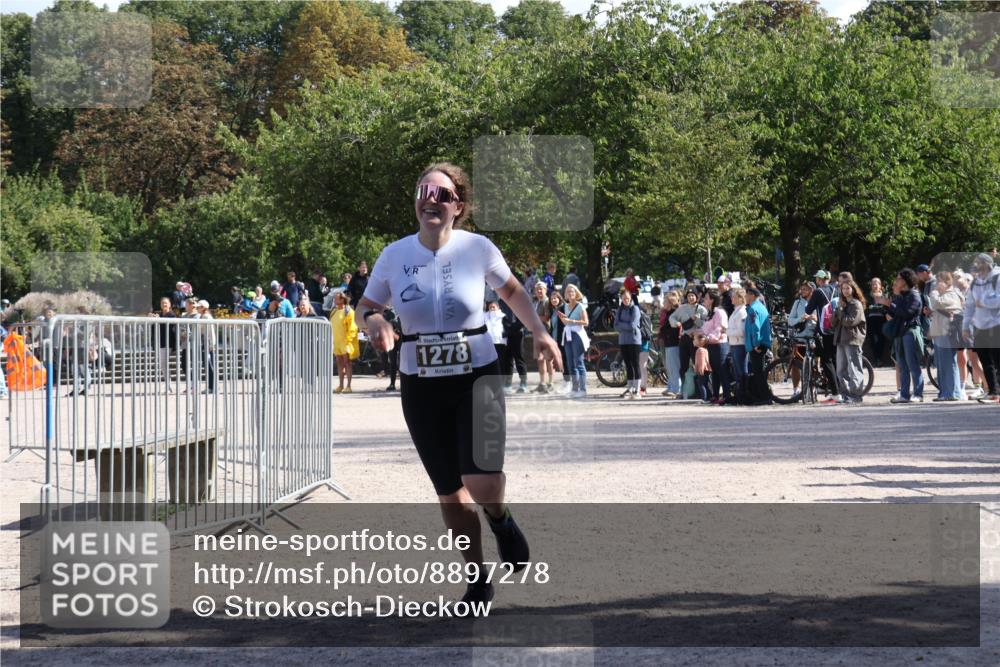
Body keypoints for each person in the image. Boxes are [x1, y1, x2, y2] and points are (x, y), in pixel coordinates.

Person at [356, 162, 562, 604]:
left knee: (481, 482)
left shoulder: (477, 248)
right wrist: (373, 320)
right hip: (421, 384)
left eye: (442, 195)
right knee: (451, 495)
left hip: (476, 376)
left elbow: (512, 292)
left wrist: (539, 331)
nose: (431, 200)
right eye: (424, 192)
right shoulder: (394, 255)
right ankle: (477, 579)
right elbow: (366, 306)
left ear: (459, 206)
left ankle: (500, 517)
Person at [880, 269, 925, 404]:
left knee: (912, 364)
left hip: (910, 331)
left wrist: (890, 304)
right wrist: (889, 308)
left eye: (899, 278)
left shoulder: (914, 295)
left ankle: (918, 394)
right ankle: (904, 394)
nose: (896, 281)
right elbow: (894, 313)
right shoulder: (900, 296)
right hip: (900, 333)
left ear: (905, 281)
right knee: (902, 365)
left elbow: (907, 313)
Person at [962, 253, 1000, 402]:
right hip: (979, 326)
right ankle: (993, 392)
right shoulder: (975, 282)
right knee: (985, 360)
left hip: (996, 324)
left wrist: (984, 302)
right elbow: (970, 306)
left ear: (987, 263)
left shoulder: (997, 277)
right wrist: (965, 326)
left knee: (998, 359)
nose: (976, 266)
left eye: (979, 263)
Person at [928, 271, 965, 401]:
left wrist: (933, 293)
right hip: (940, 333)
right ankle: (945, 392)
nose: (936, 284)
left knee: (948, 363)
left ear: (947, 282)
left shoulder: (952, 294)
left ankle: (952, 393)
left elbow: (935, 303)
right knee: (941, 364)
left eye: (939, 281)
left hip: (947, 333)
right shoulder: (943, 295)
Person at [831, 279, 867, 404]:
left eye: (848, 288)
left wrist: (840, 311)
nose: (845, 291)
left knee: (854, 368)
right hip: (840, 339)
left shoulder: (856, 304)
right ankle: (846, 395)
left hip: (852, 340)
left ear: (853, 289)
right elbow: (833, 322)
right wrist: (837, 310)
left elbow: (849, 321)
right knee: (841, 369)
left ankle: (856, 395)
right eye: (843, 288)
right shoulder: (841, 304)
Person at [669, 289, 707, 395]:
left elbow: (705, 324)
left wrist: (696, 320)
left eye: (693, 295)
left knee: (698, 364)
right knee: (683, 365)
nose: (691, 298)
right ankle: (684, 390)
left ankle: (700, 390)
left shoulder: (702, 309)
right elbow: (671, 317)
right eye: (689, 296)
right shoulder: (682, 308)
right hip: (684, 338)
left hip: (696, 339)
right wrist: (676, 323)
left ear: (696, 297)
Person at [557, 283, 590, 398]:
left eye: (572, 291)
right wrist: (564, 320)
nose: (570, 293)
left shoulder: (580, 306)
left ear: (576, 293)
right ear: (565, 294)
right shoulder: (565, 307)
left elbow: (586, 322)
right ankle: (575, 389)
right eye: (568, 292)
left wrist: (572, 321)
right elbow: (566, 322)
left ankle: (583, 389)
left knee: (579, 362)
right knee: (570, 364)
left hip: (577, 335)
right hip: (568, 334)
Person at [700, 291, 730, 404]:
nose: (704, 300)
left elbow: (719, 329)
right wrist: (698, 334)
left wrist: (708, 338)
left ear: (712, 300)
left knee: (722, 371)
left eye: (706, 298)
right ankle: (715, 395)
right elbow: (705, 328)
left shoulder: (719, 312)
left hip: (720, 345)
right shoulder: (710, 313)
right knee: (714, 372)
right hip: (711, 345)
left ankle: (727, 396)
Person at [744, 288, 772, 405]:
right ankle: (763, 397)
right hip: (763, 342)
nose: (745, 297)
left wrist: (755, 344)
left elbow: (755, 327)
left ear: (751, 295)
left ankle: (765, 398)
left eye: (746, 295)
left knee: (758, 373)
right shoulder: (762, 307)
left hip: (758, 345)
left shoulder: (753, 309)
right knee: (759, 372)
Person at [613, 288, 643, 399]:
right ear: (621, 298)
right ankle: (630, 387)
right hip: (623, 341)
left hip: (634, 341)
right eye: (624, 298)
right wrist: (624, 325)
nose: (626, 300)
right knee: (627, 365)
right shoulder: (620, 310)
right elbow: (615, 325)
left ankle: (637, 389)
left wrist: (621, 324)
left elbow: (633, 325)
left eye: (627, 298)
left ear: (630, 298)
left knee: (635, 364)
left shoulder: (635, 309)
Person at [330, 291, 358, 393]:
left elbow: (353, 328)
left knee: (347, 363)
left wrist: (348, 341)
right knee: (339, 363)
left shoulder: (349, 311)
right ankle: (341, 385)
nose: (335, 300)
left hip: (345, 342)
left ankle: (348, 386)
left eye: (337, 298)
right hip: (336, 342)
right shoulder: (333, 311)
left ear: (342, 299)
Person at [499, 298, 528, 394]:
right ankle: (508, 384)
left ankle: (523, 383)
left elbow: (523, 319)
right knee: (507, 359)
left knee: (519, 358)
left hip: (517, 333)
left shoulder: (518, 300)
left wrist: (511, 329)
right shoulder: (500, 302)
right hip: (504, 334)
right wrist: (506, 330)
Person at [150, 296, 179, 393]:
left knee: (163, 363)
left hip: (168, 342)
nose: (164, 304)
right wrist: (152, 320)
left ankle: (168, 386)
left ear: (170, 304)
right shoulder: (160, 314)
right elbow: (154, 328)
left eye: (166, 303)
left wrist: (159, 320)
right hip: (160, 342)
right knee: (163, 364)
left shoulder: (172, 315)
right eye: (162, 303)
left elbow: (169, 328)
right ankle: (168, 385)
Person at [531, 282, 554, 393]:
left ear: (545, 290)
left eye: (541, 289)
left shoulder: (546, 302)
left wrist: (533, 317)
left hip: (546, 334)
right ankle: (542, 384)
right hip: (537, 334)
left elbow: (547, 317)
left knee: (548, 359)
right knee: (540, 360)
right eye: (537, 289)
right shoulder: (536, 302)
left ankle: (551, 383)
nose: (539, 291)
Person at [658, 291, 682, 397]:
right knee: (669, 367)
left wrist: (664, 331)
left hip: (674, 342)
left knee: (674, 367)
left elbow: (674, 328)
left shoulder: (675, 312)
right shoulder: (668, 313)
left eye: (665, 301)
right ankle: (671, 386)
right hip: (668, 342)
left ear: (670, 303)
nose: (663, 303)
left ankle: (676, 388)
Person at [547, 289, 571, 394]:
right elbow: (553, 327)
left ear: (559, 298)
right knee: (561, 361)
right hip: (556, 339)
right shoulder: (554, 310)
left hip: (563, 339)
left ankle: (568, 383)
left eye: (555, 298)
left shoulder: (563, 308)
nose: (553, 300)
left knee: (565, 360)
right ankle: (566, 382)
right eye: (552, 299)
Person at [728, 287, 748, 392]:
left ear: (740, 298)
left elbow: (741, 331)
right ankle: (740, 393)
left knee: (742, 372)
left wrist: (727, 331)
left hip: (740, 345)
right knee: (736, 372)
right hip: (734, 344)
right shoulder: (736, 311)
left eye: (734, 297)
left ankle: (745, 393)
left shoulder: (742, 312)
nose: (732, 298)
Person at [195, 300, 217, 394]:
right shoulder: (202, 316)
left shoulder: (206, 317)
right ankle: (211, 386)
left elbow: (210, 331)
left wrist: (211, 344)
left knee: (209, 365)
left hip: (208, 343)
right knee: (207, 364)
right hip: (204, 342)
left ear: (204, 308)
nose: (197, 308)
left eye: (199, 307)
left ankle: (212, 387)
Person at [866, 278, 889, 367]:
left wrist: (880, 308)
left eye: (877, 284)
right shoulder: (868, 297)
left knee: (881, 339)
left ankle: (880, 358)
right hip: (871, 320)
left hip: (882, 320)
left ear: (880, 285)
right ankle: (876, 358)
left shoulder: (884, 296)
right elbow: (866, 308)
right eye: (873, 284)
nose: (875, 286)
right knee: (873, 339)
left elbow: (887, 308)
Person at [485, 301, 508, 380]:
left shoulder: (503, 316)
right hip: (490, 343)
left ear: (498, 307)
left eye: (493, 307)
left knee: (501, 361)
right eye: (490, 307)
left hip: (500, 342)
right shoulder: (485, 316)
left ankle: (503, 380)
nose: (492, 309)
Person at [692, 333, 712, 403]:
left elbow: (702, 361)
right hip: (705, 369)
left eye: (695, 339)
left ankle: (704, 399)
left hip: (702, 370)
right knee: (705, 384)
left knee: (701, 385)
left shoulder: (700, 350)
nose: (693, 341)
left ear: (700, 341)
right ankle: (709, 397)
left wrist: (700, 370)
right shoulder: (704, 349)